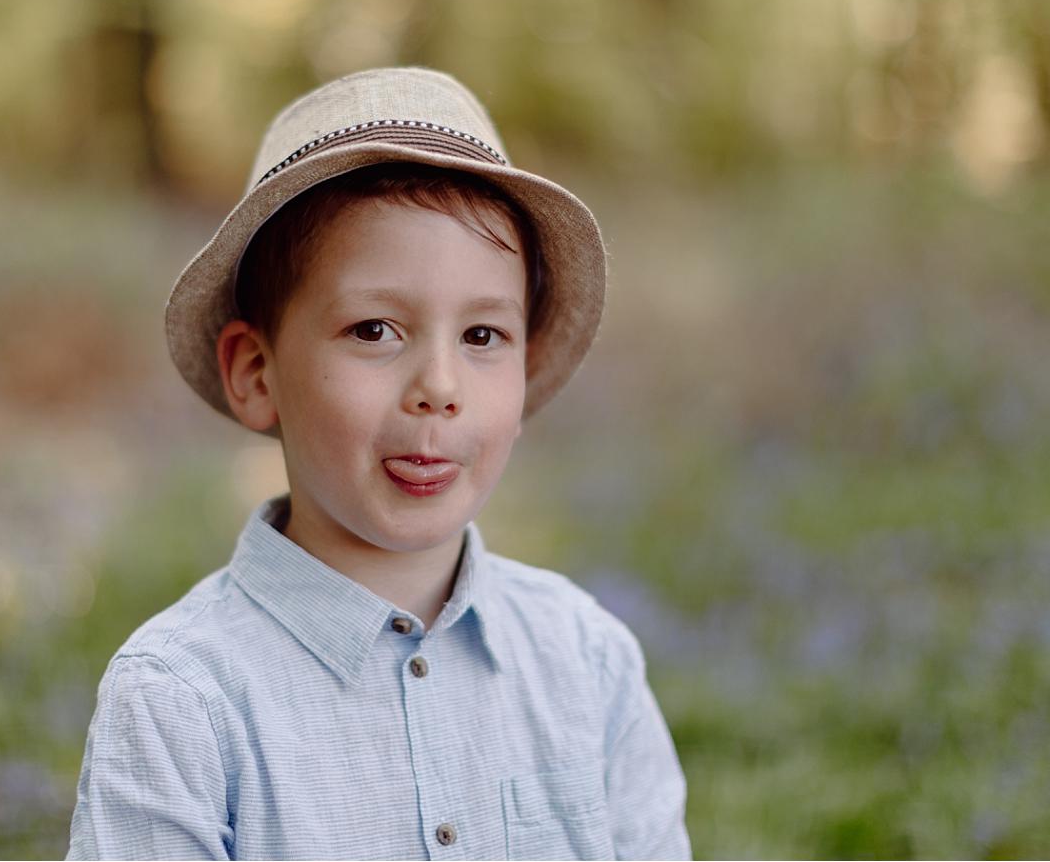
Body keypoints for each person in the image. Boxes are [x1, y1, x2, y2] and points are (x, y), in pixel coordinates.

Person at [66, 66, 691, 861]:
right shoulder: (180, 701)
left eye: (482, 336)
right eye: (374, 330)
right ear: (258, 374)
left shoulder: (587, 662)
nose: (439, 386)